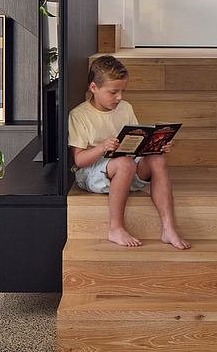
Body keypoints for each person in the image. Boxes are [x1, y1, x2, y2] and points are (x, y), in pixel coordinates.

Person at [67, 55, 190, 250]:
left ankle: (168, 227)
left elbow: (136, 142)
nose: (119, 97)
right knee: (125, 163)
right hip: (92, 173)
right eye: (113, 92)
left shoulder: (125, 108)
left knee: (157, 160)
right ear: (93, 88)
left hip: (128, 167)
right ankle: (116, 228)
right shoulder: (79, 115)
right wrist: (102, 147)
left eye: (122, 91)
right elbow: (79, 160)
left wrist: (156, 145)